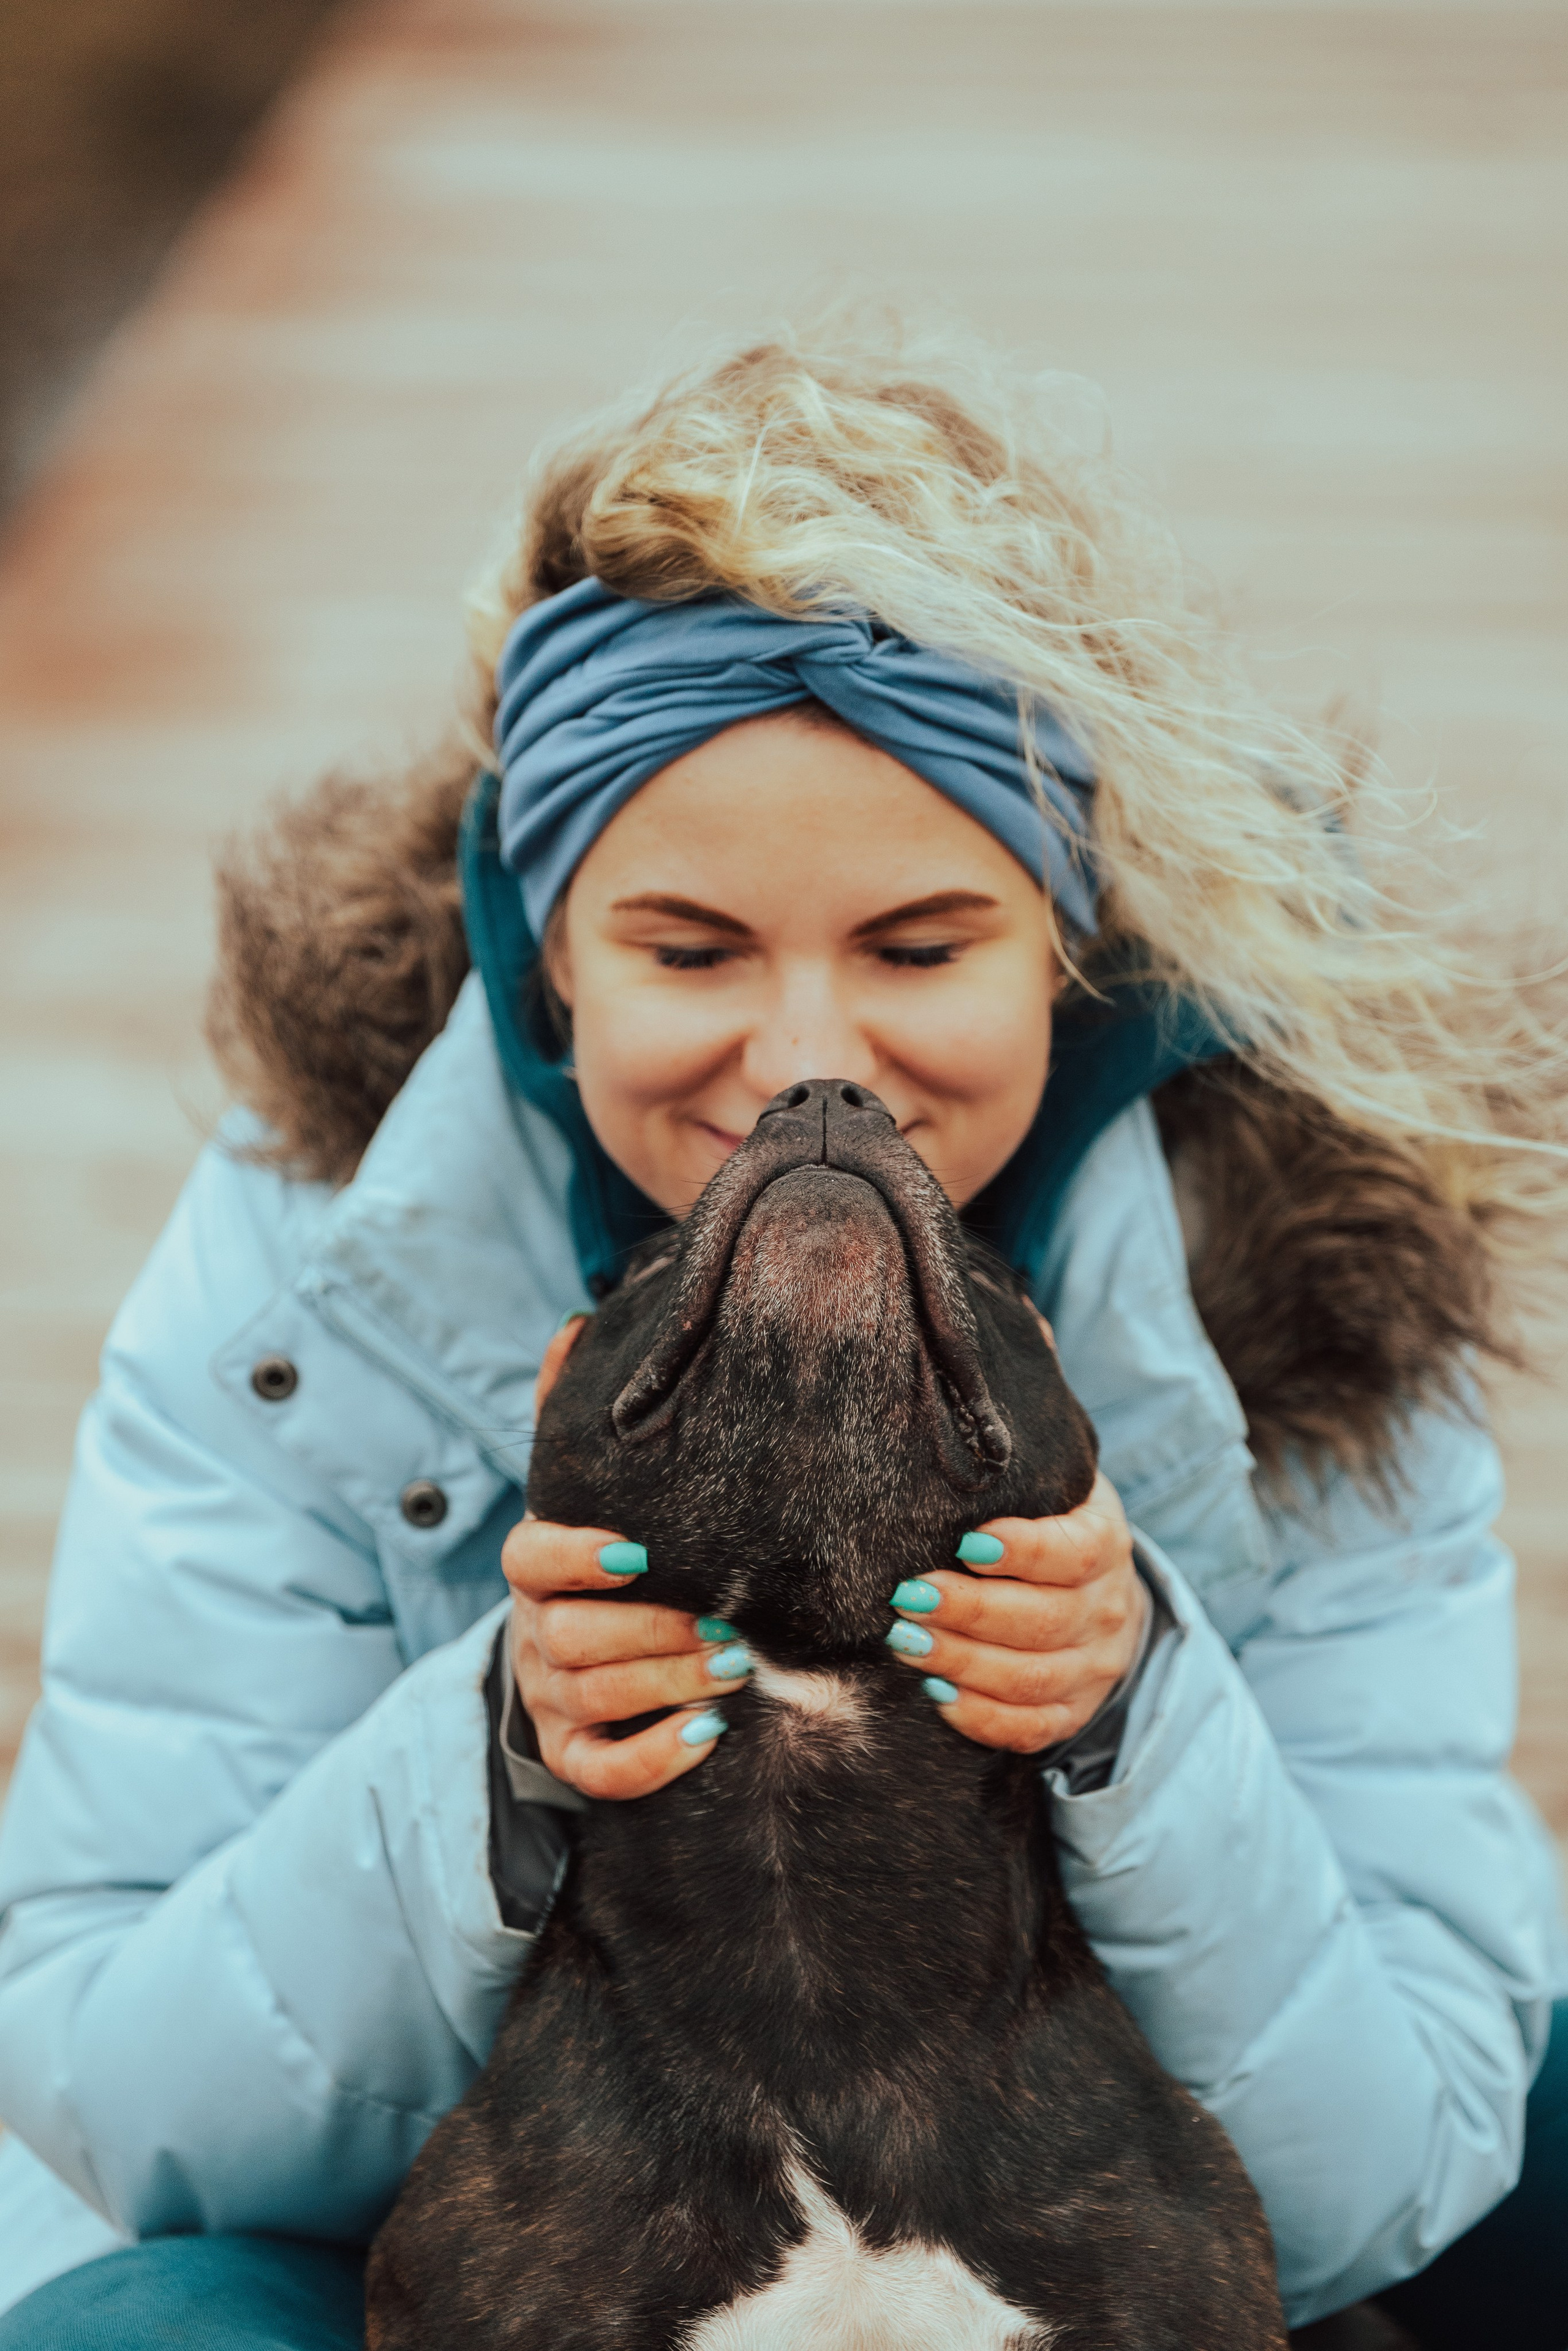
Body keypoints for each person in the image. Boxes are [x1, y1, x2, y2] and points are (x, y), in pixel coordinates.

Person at [0, 318, 1562, 2351]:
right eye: (691, 946)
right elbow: (122, 2100)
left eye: (920, 945)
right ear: (548, 950)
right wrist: (496, 1747)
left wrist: (1136, 1709)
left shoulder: (1318, 1271)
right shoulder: (311, 1285)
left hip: (1111, 2205)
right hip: (519, 2228)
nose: (809, 1062)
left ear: (1068, 944)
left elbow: (1384, 2175)